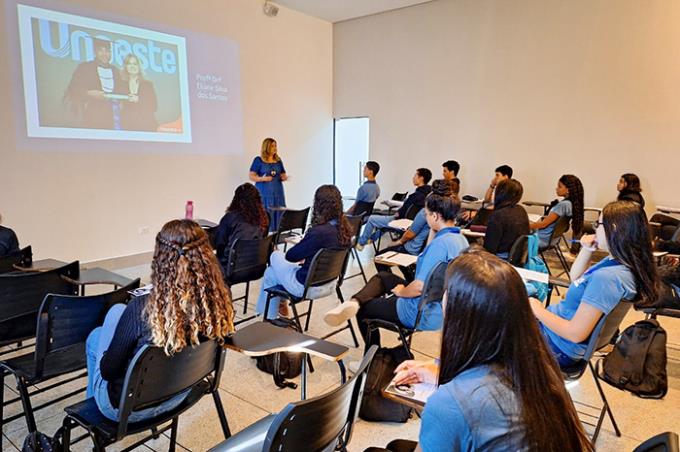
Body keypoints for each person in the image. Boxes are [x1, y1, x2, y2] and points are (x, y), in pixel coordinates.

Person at [373, 249, 593, 452]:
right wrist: (435, 370)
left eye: (446, 293)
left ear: (458, 314)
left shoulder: (450, 405)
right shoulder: (539, 368)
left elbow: (462, 408)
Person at [85, 220, 234, 421]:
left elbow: (108, 371)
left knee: (97, 336)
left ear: (162, 257)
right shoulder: (218, 302)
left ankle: (92, 415)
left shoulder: (142, 308)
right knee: (115, 318)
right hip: (179, 396)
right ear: (205, 255)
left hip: (126, 409)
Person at [323, 179, 469, 347]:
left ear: (435, 216)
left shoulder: (439, 245)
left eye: (427, 214)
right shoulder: (460, 240)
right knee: (384, 277)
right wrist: (433, 229)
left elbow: (420, 287)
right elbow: (429, 256)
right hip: (439, 310)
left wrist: (402, 292)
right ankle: (353, 301)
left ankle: (370, 360)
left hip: (418, 311)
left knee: (365, 311)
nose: (426, 217)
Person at [530, 201, 659, 368]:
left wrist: (537, 309)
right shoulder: (620, 262)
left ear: (612, 228)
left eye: (598, 224)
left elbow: (575, 333)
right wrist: (587, 249)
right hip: (559, 338)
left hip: (557, 346)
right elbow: (576, 279)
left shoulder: (608, 278)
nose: (594, 229)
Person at [255, 185, 352, 319]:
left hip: (306, 286)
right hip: (330, 283)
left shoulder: (319, 232)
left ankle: (269, 318)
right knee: (270, 273)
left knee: (275, 255)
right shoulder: (345, 229)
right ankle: (276, 315)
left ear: (318, 204)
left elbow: (291, 256)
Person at [356, 168, 432, 250]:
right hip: (413, 222)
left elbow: (403, 212)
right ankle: (371, 239)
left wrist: (397, 213)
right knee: (383, 224)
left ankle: (361, 243)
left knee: (372, 219)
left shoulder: (415, 196)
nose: (413, 178)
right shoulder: (428, 195)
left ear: (421, 178)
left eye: (415, 175)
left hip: (401, 220)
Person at [63, 38, 123, 130]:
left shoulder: (116, 71)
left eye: (107, 51)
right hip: (92, 116)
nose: (104, 54)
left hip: (113, 118)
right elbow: (73, 89)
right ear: (95, 52)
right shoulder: (85, 67)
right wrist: (88, 93)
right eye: (100, 51)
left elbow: (120, 92)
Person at [214, 183, 269, 272]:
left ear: (236, 199)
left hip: (231, 268)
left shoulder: (230, 217)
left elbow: (219, 243)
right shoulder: (264, 217)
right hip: (256, 266)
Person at [530, 174, 584, 249]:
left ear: (568, 190)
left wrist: (525, 225)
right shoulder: (571, 204)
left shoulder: (563, 205)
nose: (556, 189)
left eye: (560, 186)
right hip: (553, 240)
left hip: (541, 238)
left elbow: (543, 225)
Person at [483, 179, 530, 259]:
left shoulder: (498, 216)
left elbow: (489, 249)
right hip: (516, 256)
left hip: (500, 258)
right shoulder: (521, 210)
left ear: (500, 193)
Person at [249, 138, 289, 231]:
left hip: (278, 192)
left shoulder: (278, 160)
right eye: (272, 146)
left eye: (275, 146)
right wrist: (263, 179)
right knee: (265, 213)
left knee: (279, 213)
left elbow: (283, 174)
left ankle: (277, 236)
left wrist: (284, 177)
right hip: (264, 193)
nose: (275, 148)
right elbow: (252, 176)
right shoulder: (258, 160)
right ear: (266, 147)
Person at [119, 53, 158, 131]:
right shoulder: (121, 85)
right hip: (128, 126)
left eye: (135, 64)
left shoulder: (147, 85)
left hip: (147, 126)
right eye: (129, 64)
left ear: (139, 67)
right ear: (125, 67)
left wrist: (139, 100)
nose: (132, 66)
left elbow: (154, 106)